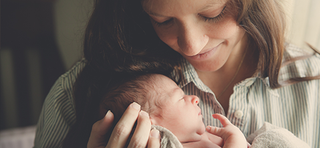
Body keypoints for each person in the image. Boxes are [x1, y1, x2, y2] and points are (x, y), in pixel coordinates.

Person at [33, 0, 320, 147]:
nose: (192, 44)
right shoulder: (75, 95)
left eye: (212, 13)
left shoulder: (313, 87)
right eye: (164, 20)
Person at [96, 74, 247, 148]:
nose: (195, 98)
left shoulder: (203, 138)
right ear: (148, 123)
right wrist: (236, 141)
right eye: (181, 98)